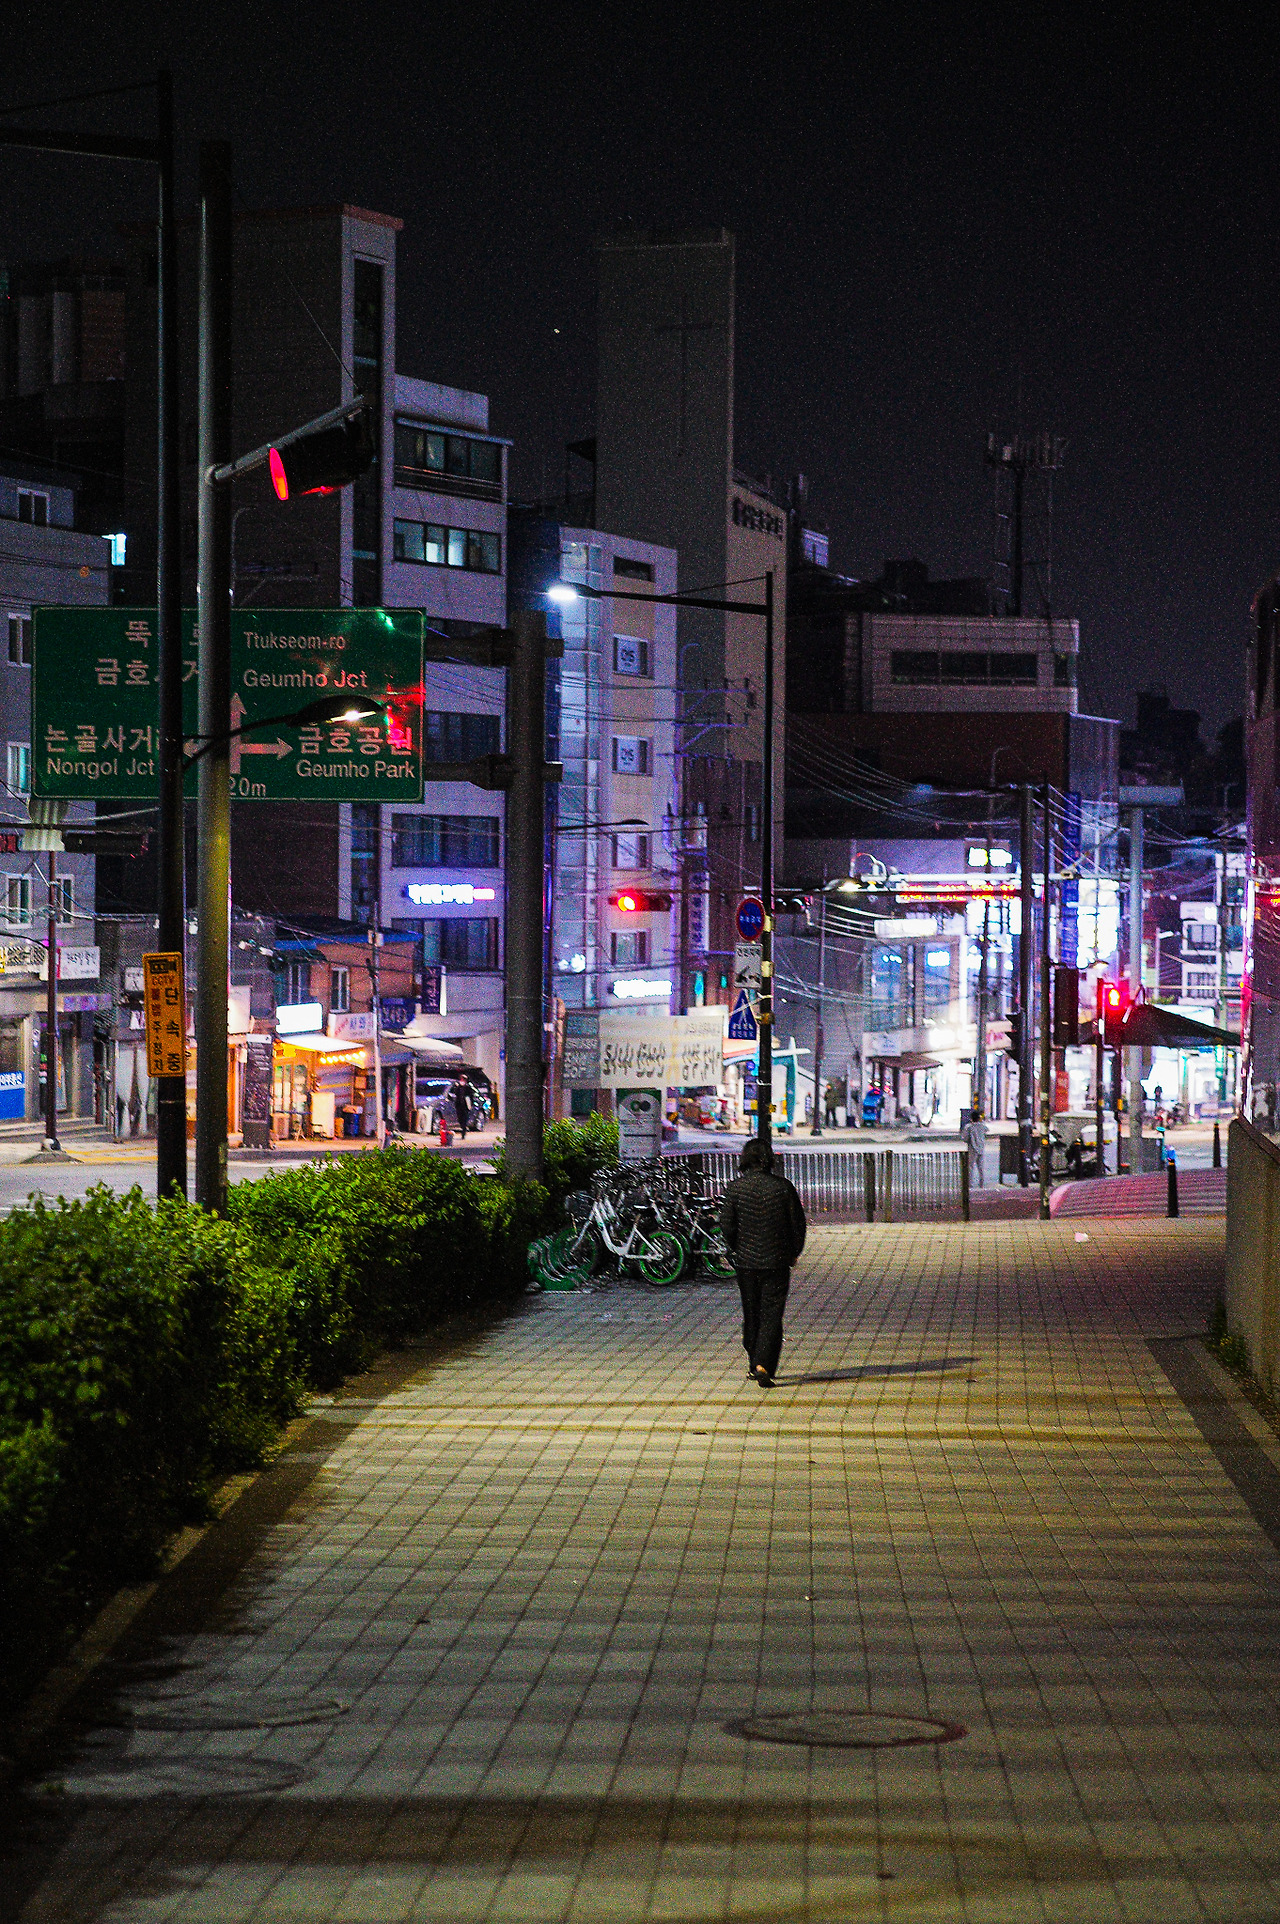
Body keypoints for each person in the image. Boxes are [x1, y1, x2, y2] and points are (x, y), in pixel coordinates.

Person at [720, 1137, 807, 1388]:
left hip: (746, 1262)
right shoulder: (783, 1188)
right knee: (772, 1312)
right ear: (769, 1159)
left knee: (751, 1312)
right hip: (776, 1260)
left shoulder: (736, 1188)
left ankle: (754, 1361)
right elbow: (797, 1224)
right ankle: (763, 1364)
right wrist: (794, 1251)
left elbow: (726, 1224)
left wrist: (735, 1248)